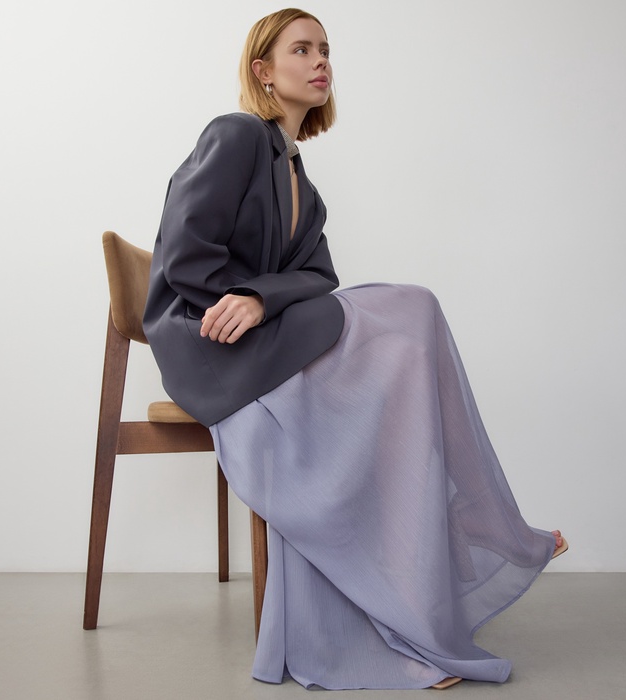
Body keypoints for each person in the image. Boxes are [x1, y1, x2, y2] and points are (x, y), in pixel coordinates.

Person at [143, 7, 568, 691]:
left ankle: (421, 596)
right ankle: (487, 523)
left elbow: (320, 277)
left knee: (402, 359)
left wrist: (263, 298)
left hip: (262, 334)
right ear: (263, 71)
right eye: (302, 50)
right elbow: (185, 253)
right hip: (211, 343)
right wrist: (248, 299)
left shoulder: (302, 186)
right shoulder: (236, 135)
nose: (321, 62)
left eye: (325, 49)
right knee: (412, 308)